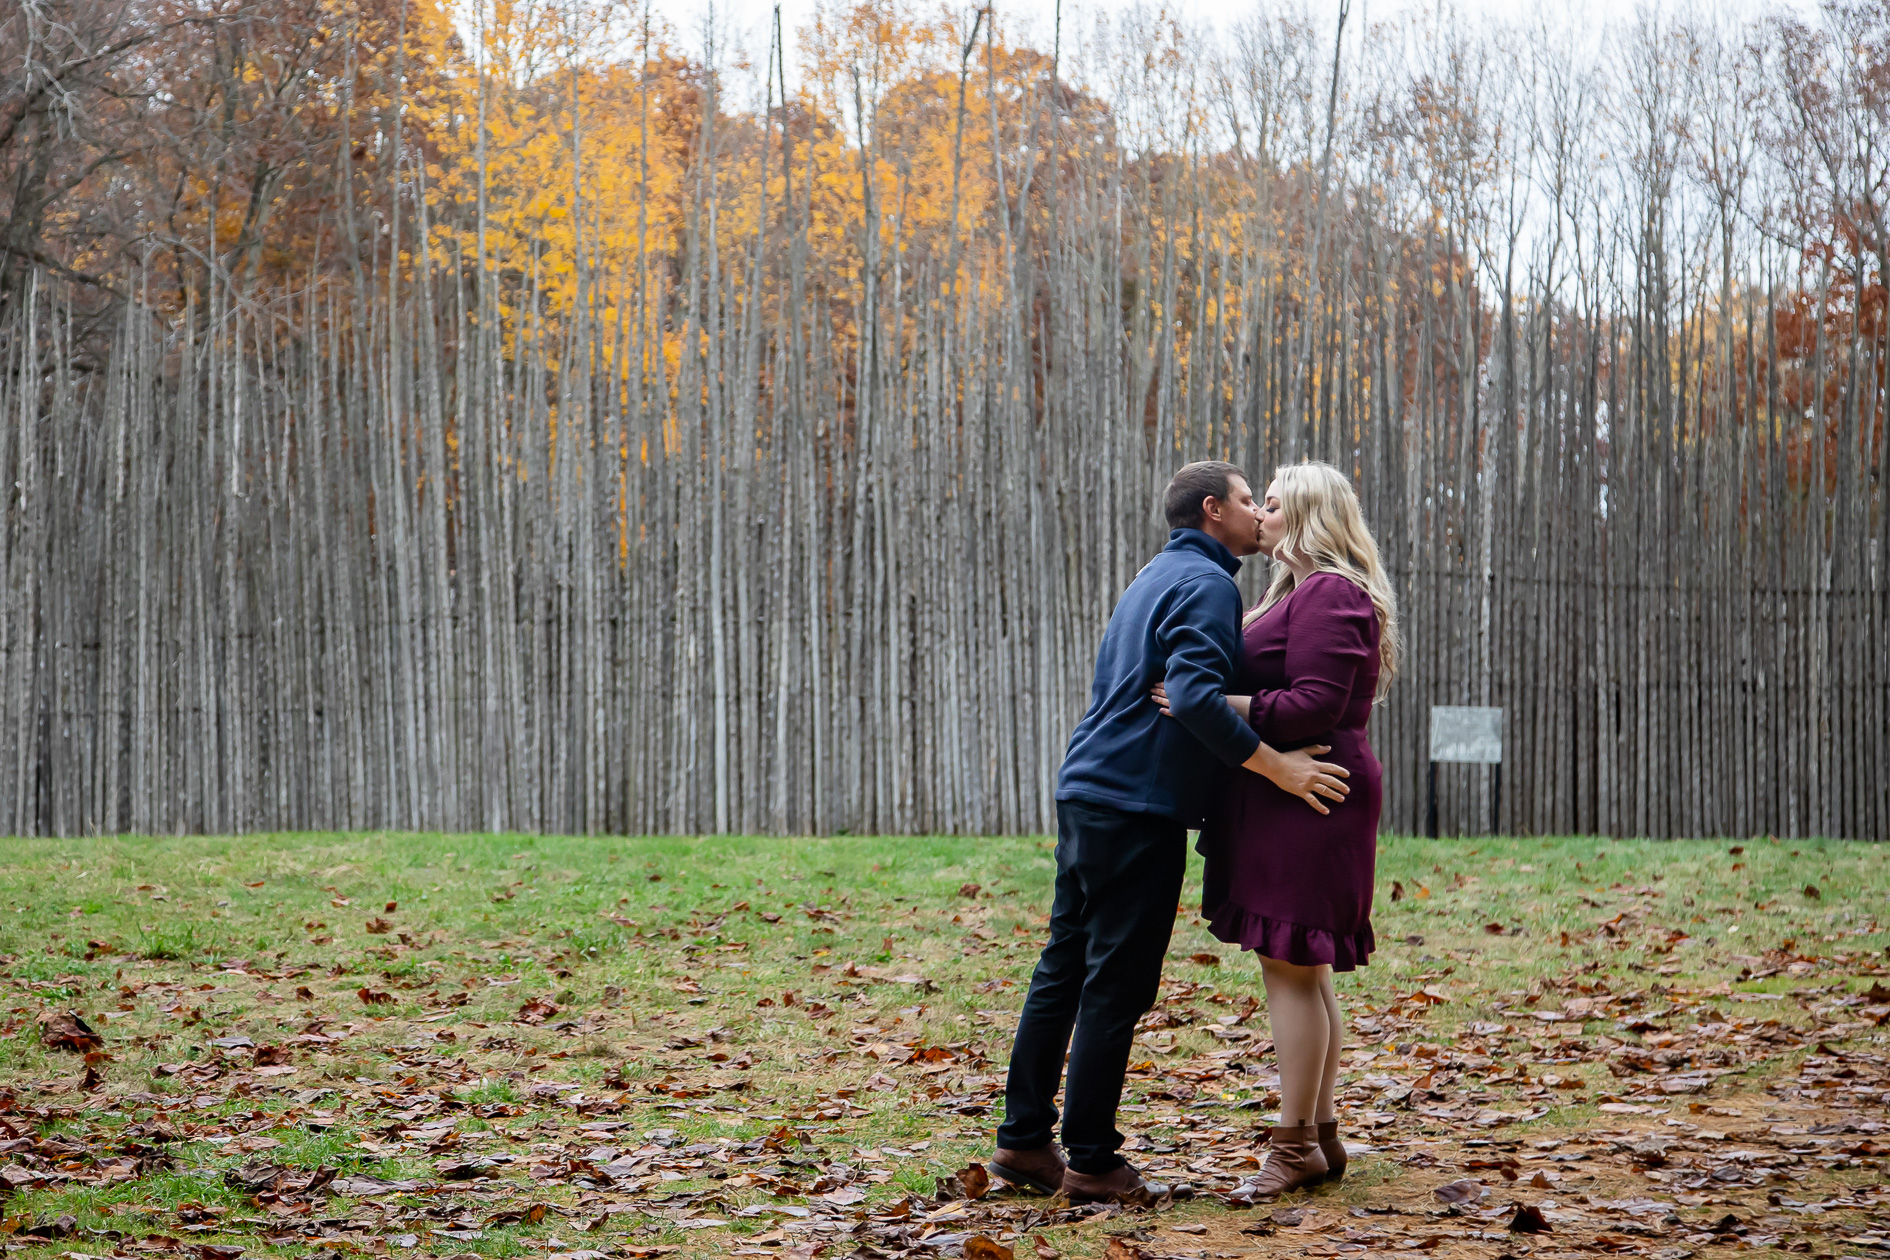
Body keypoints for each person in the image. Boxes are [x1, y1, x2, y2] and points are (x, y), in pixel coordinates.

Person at [988, 461, 1354, 1206]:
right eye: (1251, 501)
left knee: (1063, 969)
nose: (1260, 513)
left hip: (1087, 789)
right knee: (1116, 985)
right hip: (1136, 803)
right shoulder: (1211, 584)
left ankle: (1025, 1141)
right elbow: (1191, 695)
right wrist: (1277, 769)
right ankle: (1091, 1161)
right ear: (1214, 510)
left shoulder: (1153, 575)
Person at [1153, 460, 1400, 1197]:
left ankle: (1292, 1144)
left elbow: (1314, 704)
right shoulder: (1298, 591)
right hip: (1287, 794)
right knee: (1302, 967)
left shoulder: (1329, 591)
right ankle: (1319, 1135)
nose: (1258, 512)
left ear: (1306, 516)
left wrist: (1216, 704)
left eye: (1272, 502)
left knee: (1291, 968)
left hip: (1311, 791)